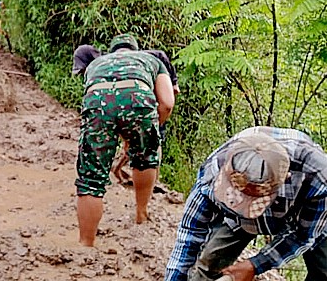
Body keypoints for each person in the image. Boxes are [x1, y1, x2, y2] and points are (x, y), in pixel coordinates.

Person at [166, 127, 327, 281]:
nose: (241, 206)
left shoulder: (319, 176)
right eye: (236, 200)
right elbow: (190, 234)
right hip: (238, 222)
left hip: (306, 215)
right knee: (210, 262)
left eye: (249, 202)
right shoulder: (214, 169)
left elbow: (302, 236)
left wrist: (254, 265)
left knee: (323, 271)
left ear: (285, 180)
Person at [76, 34, 175, 247]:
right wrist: (146, 132)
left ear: (112, 51)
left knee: (91, 179)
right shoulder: (152, 60)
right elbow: (167, 103)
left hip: (97, 102)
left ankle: (85, 245)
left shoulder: (96, 63)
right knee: (145, 158)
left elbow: (105, 102)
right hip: (139, 97)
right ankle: (141, 213)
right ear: (136, 49)